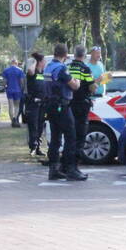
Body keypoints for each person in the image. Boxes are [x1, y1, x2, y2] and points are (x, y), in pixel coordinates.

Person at [44, 43, 87, 181]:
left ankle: (54, 169)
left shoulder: (48, 67)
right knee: (71, 137)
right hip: (62, 106)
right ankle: (70, 169)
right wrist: (78, 81)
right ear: (65, 55)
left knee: (56, 138)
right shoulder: (62, 69)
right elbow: (74, 85)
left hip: (51, 105)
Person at [67, 45, 96, 162]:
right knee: (81, 133)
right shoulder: (85, 69)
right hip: (82, 104)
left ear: (74, 54)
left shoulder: (68, 67)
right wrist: (96, 83)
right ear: (84, 55)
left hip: (69, 103)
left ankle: (68, 161)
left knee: (70, 133)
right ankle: (75, 162)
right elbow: (92, 87)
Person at [24, 52, 47, 157]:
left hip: (42, 104)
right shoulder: (33, 72)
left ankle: (38, 147)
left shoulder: (42, 73)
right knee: (33, 126)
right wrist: (34, 62)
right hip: (33, 103)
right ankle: (32, 147)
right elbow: (29, 70)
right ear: (40, 62)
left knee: (40, 126)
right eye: (44, 61)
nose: (45, 62)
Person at [2, 58, 25, 128]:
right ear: (16, 63)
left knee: (10, 106)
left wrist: (5, 87)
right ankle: (15, 118)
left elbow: (4, 82)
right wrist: (21, 89)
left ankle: (12, 121)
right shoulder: (20, 70)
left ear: (11, 63)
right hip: (17, 90)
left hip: (9, 90)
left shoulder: (6, 70)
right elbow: (22, 82)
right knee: (17, 106)